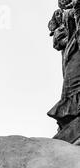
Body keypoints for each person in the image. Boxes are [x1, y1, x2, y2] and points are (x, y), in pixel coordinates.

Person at [48, 0, 80, 129]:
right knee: (71, 82)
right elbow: (57, 43)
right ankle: (72, 115)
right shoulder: (61, 14)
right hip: (72, 51)